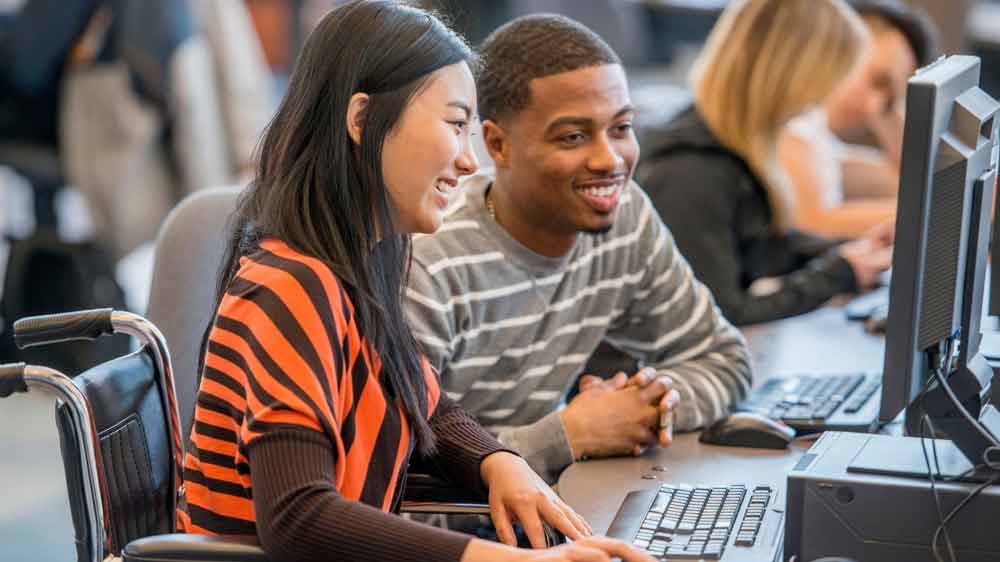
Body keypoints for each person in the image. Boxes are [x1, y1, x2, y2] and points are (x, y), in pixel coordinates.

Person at [180, 3, 652, 562]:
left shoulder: (358, 261)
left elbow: (423, 405)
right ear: (362, 120)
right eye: (455, 125)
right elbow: (298, 517)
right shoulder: (289, 285)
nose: (470, 162)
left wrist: (499, 462)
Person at [405, 13, 752, 485]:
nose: (609, 159)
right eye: (573, 136)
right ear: (497, 144)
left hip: (554, 508)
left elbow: (724, 358)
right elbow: (400, 458)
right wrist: (569, 434)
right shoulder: (430, 263)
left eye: (622, 128)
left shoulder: (624, 217)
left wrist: (652, 405)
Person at [639, 0, 894, 327]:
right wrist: (837, 275)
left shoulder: (735, 142)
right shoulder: (692, 171)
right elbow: (721, 314)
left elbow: (760, 246)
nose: (816, 103)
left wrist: (846, 251)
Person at [780, 0, 939, 239]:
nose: (872, 106)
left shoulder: (817, 134)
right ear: (849, 38)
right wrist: (943, 215)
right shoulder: (793, 122)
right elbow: (813, 223)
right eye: (877, 80)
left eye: (886, 99)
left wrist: (892, 108)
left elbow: (901, 181)